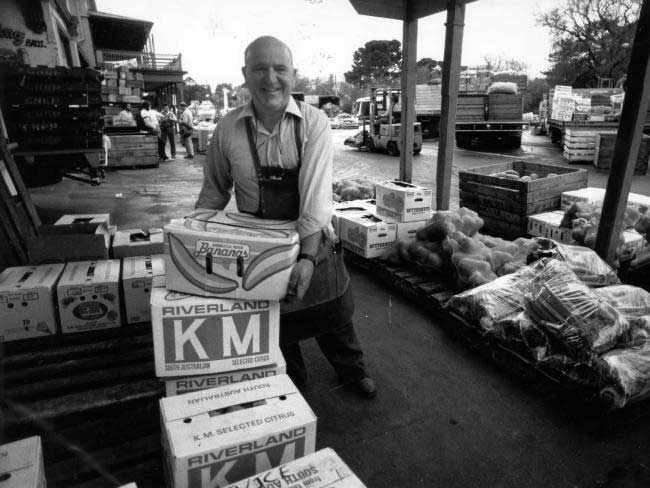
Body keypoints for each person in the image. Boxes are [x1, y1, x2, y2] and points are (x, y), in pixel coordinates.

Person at [195, 36, 376, 399]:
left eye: (280, 69)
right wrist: (194, 243)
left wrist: (307, 256)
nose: (271, 79)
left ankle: (352, 370)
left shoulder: (314, 123)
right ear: (245, 75)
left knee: (334, 315)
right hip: (259, 247)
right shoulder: (227, 129)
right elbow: (213, 193)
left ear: (294, 74)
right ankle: (292, 386)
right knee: (275, 322)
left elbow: (314, 198)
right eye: (260, 69)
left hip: (312, 240)